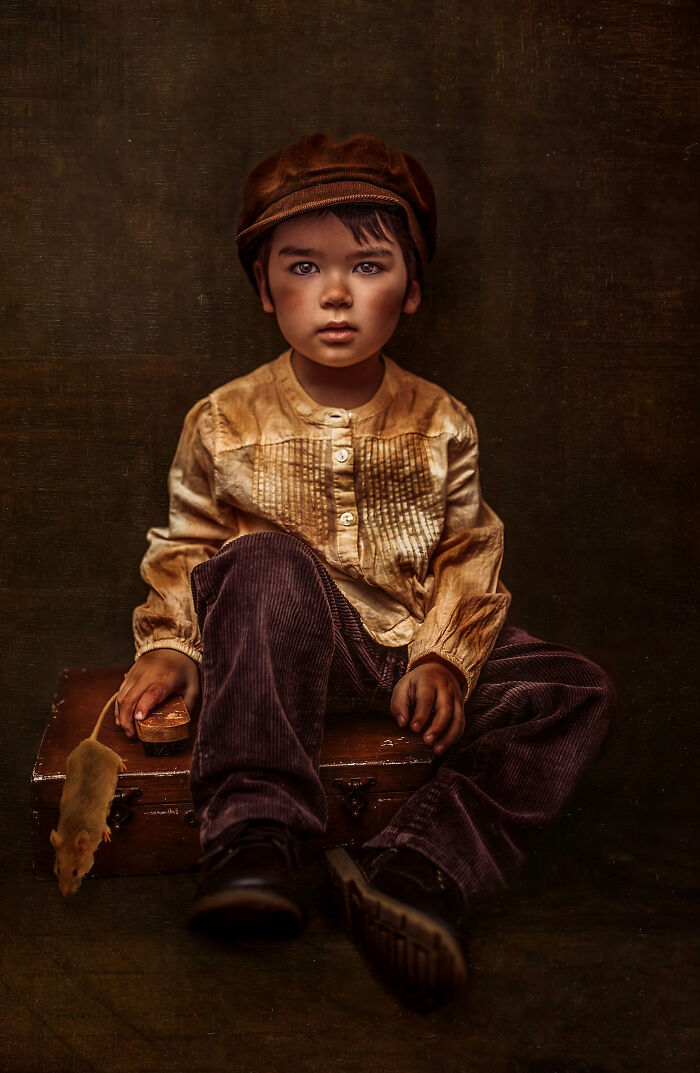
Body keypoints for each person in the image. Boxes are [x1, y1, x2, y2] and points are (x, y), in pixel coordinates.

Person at [115, 133, 613, 1010]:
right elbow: (189, 548)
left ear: (411, 288)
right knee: (261, 559)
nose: (336, 293)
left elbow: (467, 551)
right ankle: (258, 843)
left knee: (572, 688)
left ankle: (416, 868)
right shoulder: (222, 420)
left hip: (402, 650)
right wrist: (175, 647)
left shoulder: (441, 422)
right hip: (274, 644)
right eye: (303, 266)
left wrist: (443, 658)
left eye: (368, 265)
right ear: (265, 289)